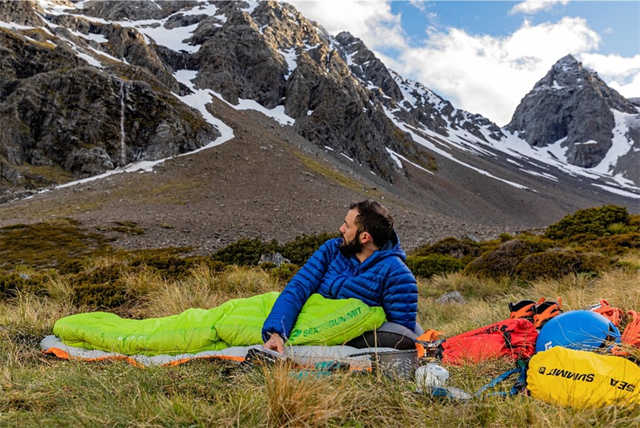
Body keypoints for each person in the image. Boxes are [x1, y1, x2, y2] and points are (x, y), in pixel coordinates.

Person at [262, 199, 418, 353]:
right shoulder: (332, 249)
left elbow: (400, 336)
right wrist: (277, 332)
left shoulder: (398, 275)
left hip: (347, 334)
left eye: (347, 226)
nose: (341, 228)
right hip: (308, 318)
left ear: (365, 237)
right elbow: (298, 287)